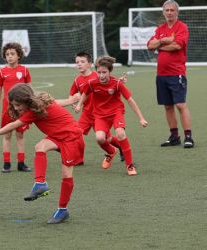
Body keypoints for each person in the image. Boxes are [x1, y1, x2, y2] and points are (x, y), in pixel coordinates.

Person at [0, 84, 84, 224]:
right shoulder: (38, 102)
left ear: (26, 100)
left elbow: (14, 125)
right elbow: (57, 102)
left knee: (66, 175)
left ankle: (62, 210)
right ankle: (40, 184)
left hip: (72, 138)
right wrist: (71, 101)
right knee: (40, 147)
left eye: (18, 104)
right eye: (14, 105)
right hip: (58, 136)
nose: (17, 108)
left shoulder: (34, 111)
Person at [75, 56, 148, 176]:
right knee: (100, 138)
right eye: (99, 72)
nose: (101, 75)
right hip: (100, 116)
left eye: (104, 72)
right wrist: (79, 105)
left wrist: (141, 118)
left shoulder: (117, 84)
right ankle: (111, 152)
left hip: (116, 113)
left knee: (120, 134)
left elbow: (130, 100)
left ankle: (129, 166)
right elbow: (85, 93)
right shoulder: (92, 83)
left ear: (110, 72)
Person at [147, 0, 194, 148]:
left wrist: (159, 46)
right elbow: (149, 46)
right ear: (163, 12)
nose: (169, 12)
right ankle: (174, 137)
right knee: (168, 106)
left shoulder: (182, 27)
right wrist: (163, 40)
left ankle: (188, 137)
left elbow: (177, 45)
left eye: (172, 10)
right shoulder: (160, 29)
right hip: (161, 75)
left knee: (180, 104)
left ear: (177, 12)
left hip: (176, 73)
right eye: (167, 10)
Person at [69, 52, 124, 164]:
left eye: (82, 62)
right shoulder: (77, 80)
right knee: (76, 134)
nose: (79, 64)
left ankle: (119, 148)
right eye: (77, 62)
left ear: (89, 64)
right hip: (86, 113)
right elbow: (72, 95)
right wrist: (74, 102)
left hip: (99, 114)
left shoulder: (97, 75)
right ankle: (79, 159)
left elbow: (111, 82)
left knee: (106, 139)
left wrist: (120, 81)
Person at [0, 42, 31, 173]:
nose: (9, 56)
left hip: (22, 109)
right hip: (7, 109)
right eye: (7, 54)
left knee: (20, 135)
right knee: (7, 135)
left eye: (12, 54)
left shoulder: (24, 70)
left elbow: (29, 89)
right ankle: (6, 163)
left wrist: (30, 106)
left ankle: (21, 163)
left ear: (18, 55)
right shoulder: (2, 71)